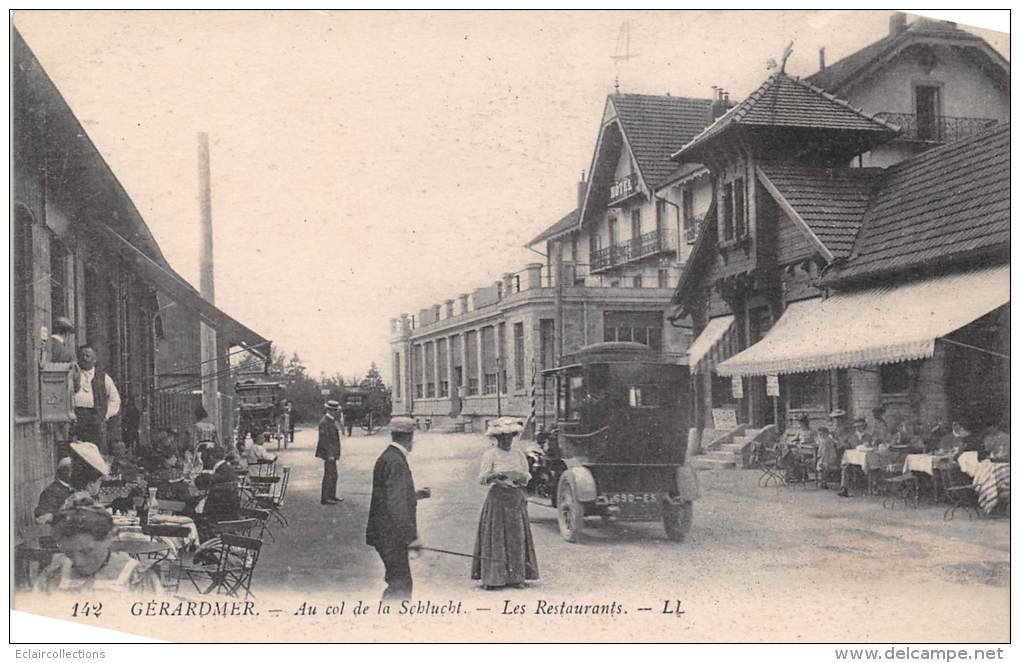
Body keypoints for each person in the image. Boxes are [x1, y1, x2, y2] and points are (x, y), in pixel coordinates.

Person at [472, 417, 539, 589]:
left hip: (515, 498)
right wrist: (495, 476)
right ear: (497, 439)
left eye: (510, 437)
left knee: (516, 537)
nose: (507, 441)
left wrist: (521, 478)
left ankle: (517, 578)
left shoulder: (518, 454)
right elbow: (482, 478)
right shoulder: (490, 454)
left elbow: (526, 475)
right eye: (503, 438)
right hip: (498, 499)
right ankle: (493, 579)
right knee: (496, 537)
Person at [33, 505, 162, 594]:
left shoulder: (135, 578)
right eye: (70, 553)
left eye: (87, 552)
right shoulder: (54, 574)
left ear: (108, 540)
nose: (78, 561)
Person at [366, 416, 425, 601]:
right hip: (391, 535)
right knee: (401, 585)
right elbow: (396, 505)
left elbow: (390, 495)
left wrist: (415, 495)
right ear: (408, 436)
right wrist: (411, 537)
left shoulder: (388, 456)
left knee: (397, 581)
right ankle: (392, 624)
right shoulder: (396, 461)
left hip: (384, 532)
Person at [71, 345, 121, 453]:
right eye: (82, 356)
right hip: (76, 417)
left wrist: (105, 415)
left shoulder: (103, 377)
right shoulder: (72, 374)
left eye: (88, 356)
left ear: (94, 359)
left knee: (95, 451)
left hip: (95, 420)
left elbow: (115, 399)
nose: (84, 358)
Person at [316, 401, 344, 505]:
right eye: (336, 411)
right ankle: (325, 497)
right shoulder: (325, 422)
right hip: (329, 454)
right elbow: (325, 440)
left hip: (332, 453)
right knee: (329, 474)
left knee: (333, 474)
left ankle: (331, 495)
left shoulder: (330, 421)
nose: (337, 413)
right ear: (330, 411)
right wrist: (330, 454)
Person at [34, 457, 74, 525]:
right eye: (72, 470)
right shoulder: (50, 492)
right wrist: (64, 507)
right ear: (65, 471)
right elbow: (41, 515)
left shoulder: (73, 487)